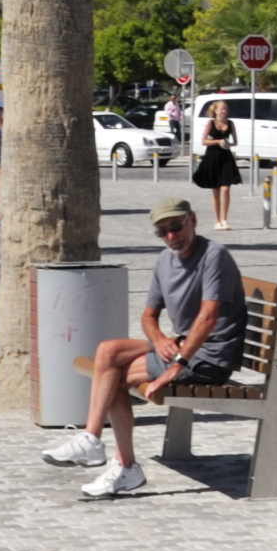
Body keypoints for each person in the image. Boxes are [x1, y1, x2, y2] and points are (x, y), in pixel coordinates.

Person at [51, 194, 242, 497]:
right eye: (162, 231)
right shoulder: (165, 260)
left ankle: (121, 463)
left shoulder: (214, 255)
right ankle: (93, 441)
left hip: (210, 358)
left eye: (176, 227)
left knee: (112, 377)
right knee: (107, 352)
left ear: (192, 220)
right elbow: (148, 315)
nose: (171, 236)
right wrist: (160, 340)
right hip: (182, 347)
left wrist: (176, 365)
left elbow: (207, 318)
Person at [191, 96, 242, 230]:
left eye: (225, 109)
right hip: (212, 156)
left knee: (225, 188)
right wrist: (217, 142)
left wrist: (228, 144)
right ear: (215, 111)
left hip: (226, 157)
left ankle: (224, 219)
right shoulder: (210, 123)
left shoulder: (230, 124)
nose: (223, 111)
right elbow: (204, 141)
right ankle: (217, 220)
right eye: (221, 109)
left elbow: (235, 141)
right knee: (216, 190)